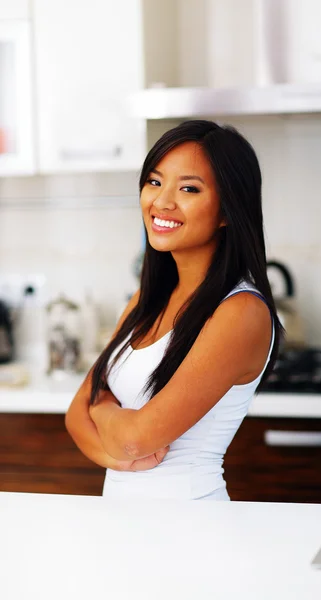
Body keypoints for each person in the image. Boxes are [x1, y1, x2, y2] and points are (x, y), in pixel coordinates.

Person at [65, 119, 283, 501]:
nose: (162, 202)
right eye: (154, 181)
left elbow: (133, 437)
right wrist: (118, 454)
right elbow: (74, 416)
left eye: (188, 188)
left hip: (189, 527)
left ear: (226, 210)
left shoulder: (240, 311)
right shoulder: (147, 299)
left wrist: (103, 411)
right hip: (122, 524)